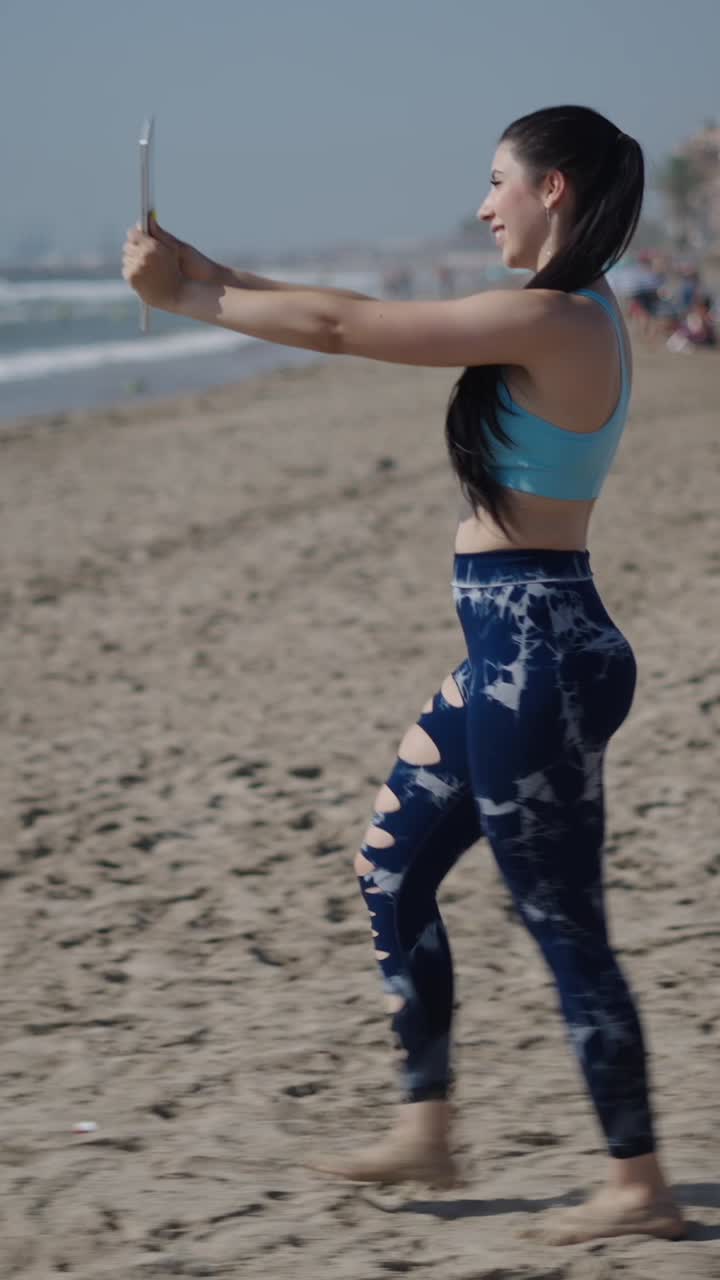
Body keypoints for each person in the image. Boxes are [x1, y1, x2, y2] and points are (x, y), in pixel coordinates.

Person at [123, 104, 687, 1247]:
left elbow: (345, 325)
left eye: (497, 183)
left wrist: (189, 300)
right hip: (509, 654)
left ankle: (639, 1181)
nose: (483, 206)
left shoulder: (561, 321)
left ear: (555, 191)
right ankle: (426, 1120)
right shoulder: (556, 315)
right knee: (390, 869)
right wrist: (197, 270)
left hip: (544, 657)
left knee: (564, 923)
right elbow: (341, 313)